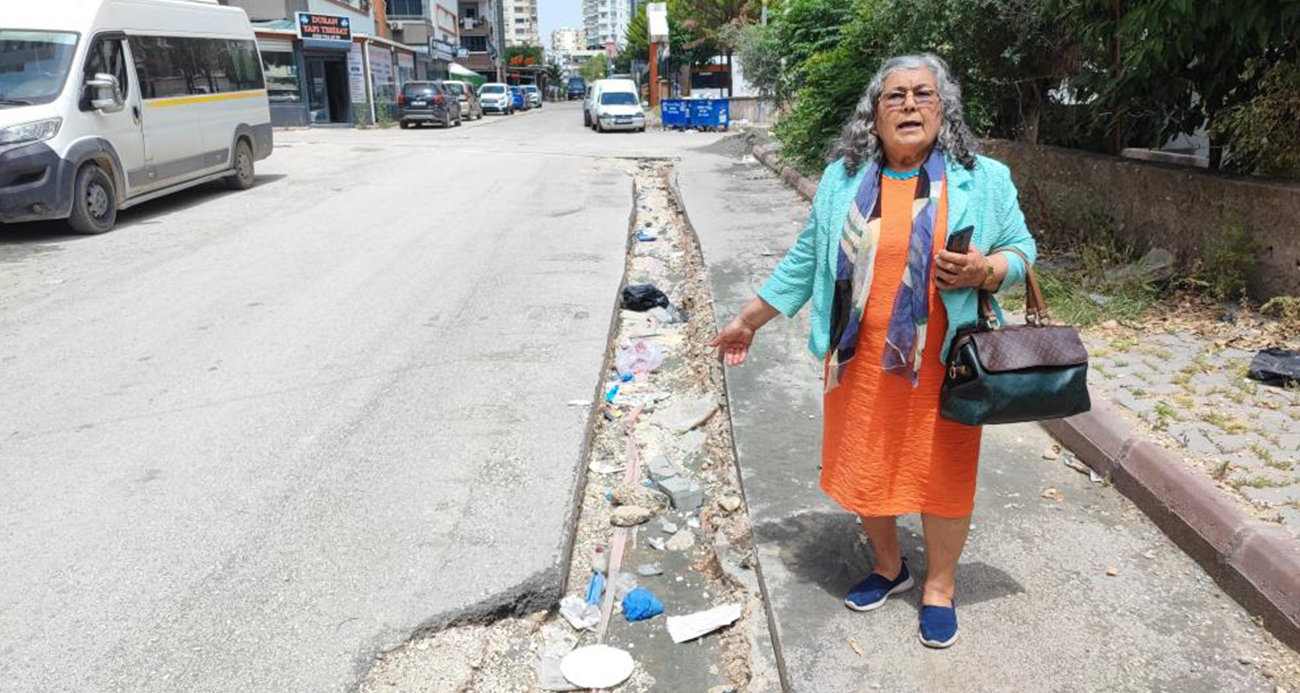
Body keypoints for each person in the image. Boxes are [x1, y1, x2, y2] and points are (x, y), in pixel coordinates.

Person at [709, 54, 1036, 649]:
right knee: (867, 464)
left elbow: (1021, 251)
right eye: (895, 96)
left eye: (923, 94)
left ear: (944, 109)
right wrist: (748, 321)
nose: (909, 105)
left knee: (945, 473)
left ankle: (939, 588)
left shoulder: (983, 178)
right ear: (875, 114)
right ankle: (890, 566)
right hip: (858, 362)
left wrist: (985, 270)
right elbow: (806, 258)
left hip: (945, 364)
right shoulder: (843, 180)